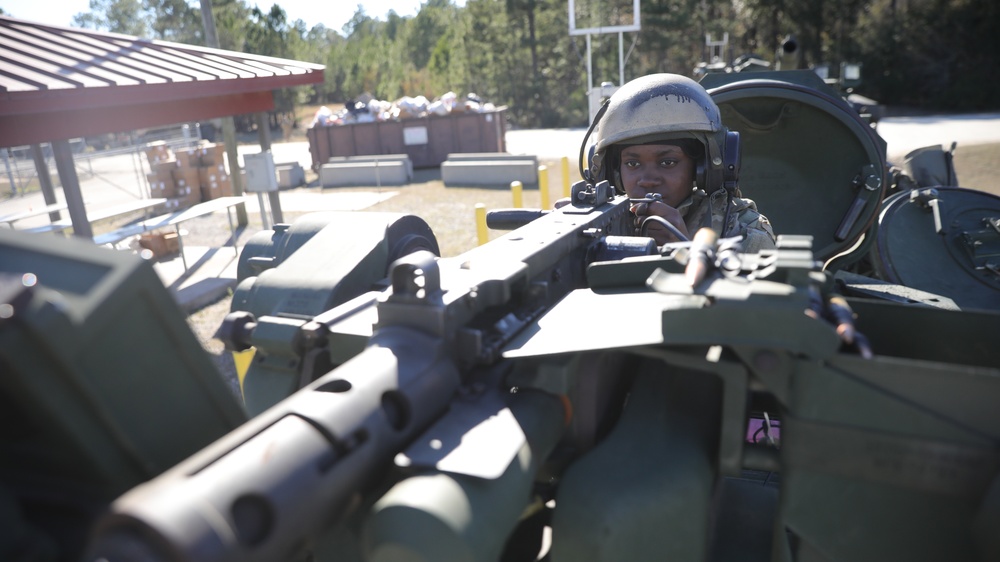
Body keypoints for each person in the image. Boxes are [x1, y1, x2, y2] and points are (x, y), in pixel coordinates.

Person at [585, 73, 776, 252]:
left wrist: (684, 249)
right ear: (614, 173)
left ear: (702, 167)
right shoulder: (599, 225)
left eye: (667, 163)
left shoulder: (743, 232)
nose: (648, 180)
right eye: (633, 164)